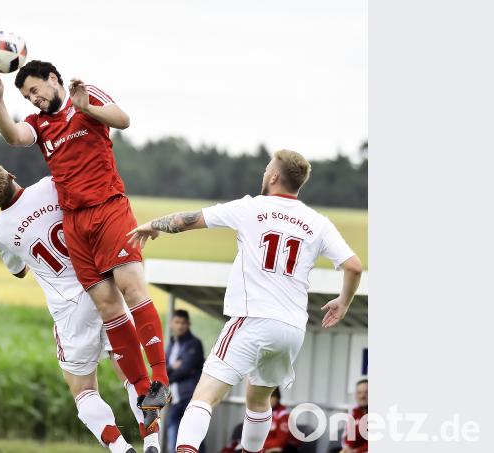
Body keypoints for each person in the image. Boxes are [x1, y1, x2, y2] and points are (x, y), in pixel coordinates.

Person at [127, 149, 364, 453]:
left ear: (274, 177)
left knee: (204, 396)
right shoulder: (318, 223)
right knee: (259, 400)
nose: (264, 173)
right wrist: (343, 302)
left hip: (252, 319)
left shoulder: (251, 207)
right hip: (291, 329)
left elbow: (188, 220)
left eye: (266, 169)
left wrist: (152, 225)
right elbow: (354, 266)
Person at [0, 61, 170, 429]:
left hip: (109, 207)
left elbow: (123, 120)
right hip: (76, 222)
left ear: (53, 79)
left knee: (132, 289)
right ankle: (143, 391)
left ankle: (161, 379)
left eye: (35, 90)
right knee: (107, 306)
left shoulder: (83, 97)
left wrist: (88, 108)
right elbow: (14, 136)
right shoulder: (38, 124)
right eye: (27, 96)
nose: (34, 99)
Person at [0, 161, 160, 453]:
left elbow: (18, 271)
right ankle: (152, 440)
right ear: (10, 174)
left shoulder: (0, 231)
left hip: (69, 309)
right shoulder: (50, 186)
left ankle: (121, 448)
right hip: (102, 285)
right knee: (132, 373)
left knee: (83, 389)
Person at [165, 310, 205, 453]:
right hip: (174, 399)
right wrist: (172, 367)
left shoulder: (194, 344)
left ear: (188, 325)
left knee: (194, 440)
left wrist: (167, 375)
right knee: (173, 442)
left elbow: (186, 369)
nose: (180, 326)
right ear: (171, 324)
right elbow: (162, 368)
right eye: (177, 322)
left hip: (190, 398)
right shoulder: (171, 344)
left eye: (183, 323)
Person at [339, 379, 368, 453]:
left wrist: (355, 451)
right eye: (359, 392)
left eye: (366, 392)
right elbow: (347, 437)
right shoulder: (354, 413)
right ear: (355, 395)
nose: (362, 396)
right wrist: (347, 447)